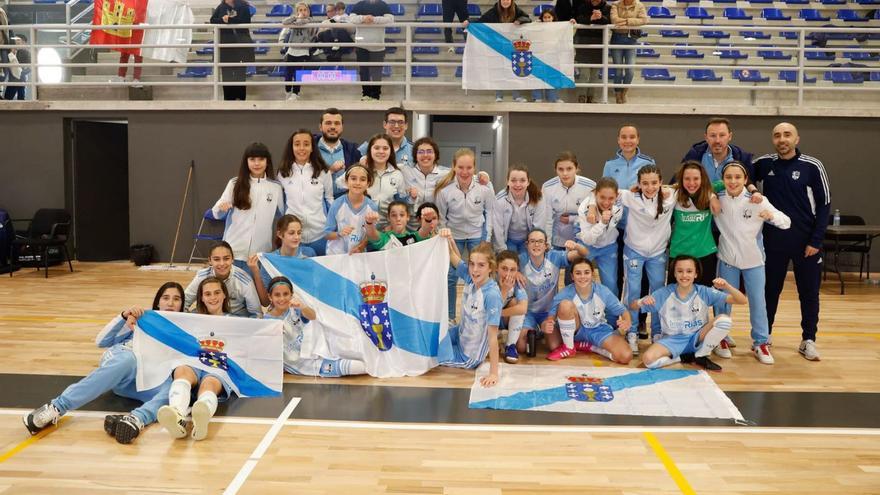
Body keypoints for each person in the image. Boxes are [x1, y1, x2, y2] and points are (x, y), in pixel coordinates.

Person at [23, 282, 185, 444]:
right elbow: (101, 341)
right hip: (123, 365)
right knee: (128, 360)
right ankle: (56, 407)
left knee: (178, 388)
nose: (170, 303)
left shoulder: (185, 330)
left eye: (176, 299)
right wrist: (123, 316)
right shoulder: (142, 318)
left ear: (182, 305)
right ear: (158, 301)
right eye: (166, 298)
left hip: (144, 381)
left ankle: (136, 419)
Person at [748, 122, 830, 361]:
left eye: (787, 135)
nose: (782, 139)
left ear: (797, 138)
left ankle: (808, 340)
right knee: (769, 291)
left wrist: (816, 240)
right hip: (773, 241)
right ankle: (765, 336)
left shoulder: (813, 166)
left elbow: (824, 206)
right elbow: (742, 173)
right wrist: (753, 186)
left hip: (806, 243)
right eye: (777, 135)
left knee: (809, 292)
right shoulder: (765, 163)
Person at [714, 162, 790, 365]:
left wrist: (771, 215)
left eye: (737, 177)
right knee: (723, 300)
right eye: (728, 177)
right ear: (723, 179)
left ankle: (760, 342)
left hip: (754, 261)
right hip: (727, 259)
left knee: (758, 301)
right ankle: (720, 337)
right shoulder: (717, 199)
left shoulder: (757, 200)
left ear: (745, 179)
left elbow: (786, 221)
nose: (733, 181)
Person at [601, 164, 675, 355]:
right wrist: (593, 208)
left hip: (658, 253)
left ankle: (657, 333)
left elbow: (701, 187)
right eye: (645, 183)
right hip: (634, 251)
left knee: (658, 291)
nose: (650, 187)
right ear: (638, 184)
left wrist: (668, 189)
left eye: (654, 183)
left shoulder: (670, 196)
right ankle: (631, 332)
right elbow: (599, 193)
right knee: (632, 292)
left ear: (660, 182)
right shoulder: (629, 196)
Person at [634, 255, 746, 372]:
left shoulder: (704, 292)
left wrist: (727, 286)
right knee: (648, 360)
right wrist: (641, 301)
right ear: (675, 274)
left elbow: (742, 300)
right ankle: (682, 357)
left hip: (698, 337)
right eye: (680, 271)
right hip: (673, 340)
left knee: (724, 320)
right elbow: (632, 306)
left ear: (695, 274)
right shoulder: (664, 293)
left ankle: (701, 355)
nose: (684, 275)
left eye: (689, 271)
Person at [157, 277, 231, 440]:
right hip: (193, 362)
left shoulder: (236, 322)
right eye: (208, 294)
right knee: (182, 371)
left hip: (219, 364)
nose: (213, 297)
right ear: (202, 298)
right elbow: (165, 321)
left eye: (217, 292)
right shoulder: (189, 319)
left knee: (210, 384)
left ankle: (201, 416)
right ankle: (176, 414)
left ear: (224, 295)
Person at [434, 148, 495, 322]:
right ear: (453, 167)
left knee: (481, 276)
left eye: (469, 167)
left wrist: (487, 238)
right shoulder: (445, 190)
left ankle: (480, 315)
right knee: (451, 277)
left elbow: (490, 213)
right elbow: (441, 218)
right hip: (455, 237)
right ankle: (451, 317)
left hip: (478, 235)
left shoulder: (484, 188)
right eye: (461, 167)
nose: (465, 172)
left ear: (474, 168)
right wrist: (446, 238)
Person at [263, 276, 367, 376]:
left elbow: (312, 316)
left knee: (365, 358)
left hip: (320, 351)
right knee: (358, 367)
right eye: (277, 295)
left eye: (285, 294)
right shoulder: (267, 322)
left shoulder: (294, 308)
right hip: (305, 365)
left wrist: (302, 306)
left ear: (291, 294)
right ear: (270, 297)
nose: (282, 298)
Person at [438, 230, 502, 387]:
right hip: (459, 336)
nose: (475, 270)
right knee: (431, 335)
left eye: (481, 265)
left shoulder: (492, 294)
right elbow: (453, 257)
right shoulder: (470, 276)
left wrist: (494, 373)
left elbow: (493, 337)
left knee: (430, 356)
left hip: (468, 356)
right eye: (472, 264)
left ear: (490, 268)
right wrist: (448, 237)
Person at [515, 228, 588, 360]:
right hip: (528, 312)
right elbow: (501, 266)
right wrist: (515, 272)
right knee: (521, 347)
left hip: (548, 313)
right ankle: (536, 331)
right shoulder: (520, 260)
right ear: (527, 245)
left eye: (540, 241)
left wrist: (576, 245)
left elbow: (583, 254)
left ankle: (543, 330)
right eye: (532, 241)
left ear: (546, 245)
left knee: (554, 346)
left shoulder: (554, 256)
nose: (536, 245)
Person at [545, 257, 631, 361]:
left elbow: (623, 311)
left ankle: (591, 347)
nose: (582, 277)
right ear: (572, 276)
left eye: (586, 272)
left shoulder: (603, 291)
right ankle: (569, 347)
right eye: (578, 273)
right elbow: (552, 314)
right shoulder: (566, 292)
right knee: (564, 307)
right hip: (576, 330)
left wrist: (627, 321)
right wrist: (548, 323)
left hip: (598, 329)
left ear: (592, 274)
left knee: (626, 356)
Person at [211, 142, 284, 265]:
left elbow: (282, 215)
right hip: (233, 251)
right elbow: (215, 212)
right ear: (246, 161)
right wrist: (221, 207)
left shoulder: (276, 187)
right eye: (252, 159)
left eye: (261, 159)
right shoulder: (234, 183)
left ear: (267, 162)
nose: (256, 163)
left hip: (260, 254)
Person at [277, 130, 333, 255]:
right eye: (297, 144)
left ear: (312, 147)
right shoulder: (283, 173)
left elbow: (330, 199)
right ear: (291, 147)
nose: (301, 148)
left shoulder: (323, 171)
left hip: (320, 235)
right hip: (294, 237)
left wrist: (331, 227)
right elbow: (280, 204)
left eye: (306, 144)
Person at [542, 151, 595, 284]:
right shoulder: (547, 187)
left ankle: (572, 303)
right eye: (560, 169)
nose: (565, 173)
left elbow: (590, 218)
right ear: (555, 170)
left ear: (577, 168)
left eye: (569, 169)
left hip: (578, 239)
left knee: (572, 278)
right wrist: (547, 242)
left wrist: (573, 219)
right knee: (549, 278)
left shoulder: (590, 187)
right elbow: (547, 218)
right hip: (556, 238)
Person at [464, 0, 531, 102]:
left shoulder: (516, 10)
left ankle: (516, 95)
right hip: (497, 46)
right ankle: (499, 95)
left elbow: (528, 18)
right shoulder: (493, 11)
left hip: (511, 46)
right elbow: (481, 21)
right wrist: (469, 21)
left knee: (514, 70)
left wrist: (520, 20)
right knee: (498, 70)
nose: (505, 1)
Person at [668, 161, 720, 287]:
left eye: (696, 178)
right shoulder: (673, 193)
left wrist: (712, 196)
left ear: (703, 179)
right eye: (687, 179)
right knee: (675, 298)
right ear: (681, 179)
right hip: (679, 253)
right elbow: (654, 187)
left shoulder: (709, 191)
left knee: (704, 298)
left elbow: (729, 182)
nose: (691, 183)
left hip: (705, 253)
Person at [341, 133, 407, 230]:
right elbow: (339, 183)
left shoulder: (397, 174)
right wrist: (359, 166)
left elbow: (401, 204)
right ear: (370, 151)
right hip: (360, 228)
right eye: (376, 148)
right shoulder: (362, 172)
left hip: (387, 230)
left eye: (385, 148)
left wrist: (393, 226)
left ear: (390, 151)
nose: (381, 151)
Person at [248, 214, 316, 306]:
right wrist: (256, 272)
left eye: (299, 233)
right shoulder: (270, 260)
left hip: (304, 309)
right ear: (280, 234)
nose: (296, 237)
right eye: (291, 233)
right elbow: (265, 302)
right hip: (281, 312)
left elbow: (315, 292)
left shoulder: (309, 254)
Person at [185, 241, 262, 317]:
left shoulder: (244, 280)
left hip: (235, 317)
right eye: (216, 259)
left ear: (232, 259)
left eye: (226, 258)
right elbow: (184, 301)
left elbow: (256, 313)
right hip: (208, 314)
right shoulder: (201, 276)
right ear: (210, 260)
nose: (222, 263)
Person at [576, 176, 623, 298]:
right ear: (596, 194)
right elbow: (588, 240)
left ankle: (612, 317)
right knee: (579, 280)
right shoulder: (584, 208)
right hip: (587, 246)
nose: (606, 202)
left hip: (609, 247)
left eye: (611, 198)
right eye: (602, 197)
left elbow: (639, 191)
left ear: (616, 196)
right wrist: (602, 223)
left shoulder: (620, 202)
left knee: (611, 285)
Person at [492, 164, 551, 254]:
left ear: (528, 182)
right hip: (508, 240)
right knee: (510, 263)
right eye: (513, 180)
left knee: (525, 263)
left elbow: (539, 227)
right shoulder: (499, 200)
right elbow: (498, 229)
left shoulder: (538, 198)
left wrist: (535, 248)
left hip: (527, 240)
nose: (518, 184)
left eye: (522, 180)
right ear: (507, 182)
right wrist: (502, 251)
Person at [324, 164, 379, 254]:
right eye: (353, 178)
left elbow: (372, 236)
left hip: (358, 255)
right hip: (336, 255)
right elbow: (327, 234)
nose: (357, 183)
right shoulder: (337, 204)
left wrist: (361, 247)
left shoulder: (372, 207)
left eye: (362, 179)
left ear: (368, 184)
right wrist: (339, 234)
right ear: (346, 182)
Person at [346, 0, 394, 101]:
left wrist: (373, 19)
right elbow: (351, 19)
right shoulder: (359, 4)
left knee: (376, 72)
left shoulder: (383, 4)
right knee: (364, 72)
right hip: (361, 44)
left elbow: (390, 19)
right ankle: (366, 94)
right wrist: (363, 18)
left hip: (378, 45)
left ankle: (376, 96)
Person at [682, 117, 754, 184]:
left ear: (730, 136)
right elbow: (678, 182)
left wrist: (754, 191)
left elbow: (749, 185)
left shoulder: (742, 159)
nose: (717, 140)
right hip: (700, 197)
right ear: (706, 137)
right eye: (713, 136)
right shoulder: (694, 156)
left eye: (722, 135)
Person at [210, 0, 255, 100]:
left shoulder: (243, 6)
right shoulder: (221, 7)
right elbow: (213, 20)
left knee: (240, 73)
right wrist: (223, 20)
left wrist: (229, 20)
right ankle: (228, 99)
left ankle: (240, 99)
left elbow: (245, 21)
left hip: (240, 46)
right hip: (225, 46)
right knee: (226, 74)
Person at [401, 137, 449, 228]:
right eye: (421, 152)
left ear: (435, 155)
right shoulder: (406, 171)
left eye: (429, 151)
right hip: (412, 227)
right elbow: (385, 166)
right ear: (415, 155)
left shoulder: (445, 174)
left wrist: (482, 176)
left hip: (436, 228)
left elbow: (466, 174)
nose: (425, 155)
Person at [315, 108, 363, 198]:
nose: (333, 127)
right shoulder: (310, 148)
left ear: (342, 127)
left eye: (337, 123)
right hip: (317, 202)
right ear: (320, 127)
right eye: (328, 123)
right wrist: (331, 170)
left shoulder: (353, 150)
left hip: (345, 203)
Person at [609, 0, 646, 103]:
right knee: (618, 70)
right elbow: (614, 20)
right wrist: (632, 21)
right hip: (617, 38)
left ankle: (624, 93)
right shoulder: (615, 4)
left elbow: (643, 20)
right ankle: (617, 94)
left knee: (630, 71)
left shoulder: (639, 5)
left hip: (632, 39)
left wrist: (626, 22)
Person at [495, 250, 528, 363]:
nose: (508, 274)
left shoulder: (517, 283)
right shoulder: (488, 281)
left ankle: (510, 345)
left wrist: (497, 313)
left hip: (501, 317)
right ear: (496, 268)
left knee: (515, 302)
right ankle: (497, 336)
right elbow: (488, 310)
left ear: (517, 271)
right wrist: (504, 289)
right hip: (486, 320)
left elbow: (523, 308)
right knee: (488, 353)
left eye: (512, 270)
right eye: (504, 269)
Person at [279, 2, 317, 101]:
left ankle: (295, 93)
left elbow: (301, 23)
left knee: (298, 73)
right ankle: (287, 91)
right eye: (300, 10)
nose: (303, 12)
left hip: (303, 50)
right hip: (292, 49)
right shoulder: (295, 19)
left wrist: (297, 19)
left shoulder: (310, 20)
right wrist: (295, 17)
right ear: (297, 12)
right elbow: (284, 22)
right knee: (288, 73)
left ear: (308, 12)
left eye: (305, 10)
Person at [364, 200, 435, 250]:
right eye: (394, 215)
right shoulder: (385, 238)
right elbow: (371, 234)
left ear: (408, 217)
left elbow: (425, 231)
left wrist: (428, 219)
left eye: (402, 215)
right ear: (388, 218)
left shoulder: (414, 237)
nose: (398, 218)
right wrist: (369, 222)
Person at [602, 124, 654, 190]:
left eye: (632, 137)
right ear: (618, 140)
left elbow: (653, 188)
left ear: (638, 140)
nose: (627, 141)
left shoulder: (648, 163)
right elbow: (604, 189)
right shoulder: (610, 164)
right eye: (624, 137)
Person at [531, 8, 562, 103]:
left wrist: (571, 22)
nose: (547, 19)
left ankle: (553, 98)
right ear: (542, 18)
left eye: (549, 17)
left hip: (553, 55)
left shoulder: (559, 27)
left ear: (553, 18)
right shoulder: (537, 26)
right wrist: (535, 24)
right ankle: (537, 97)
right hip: (539, 55)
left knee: (552, 75)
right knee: (537, 75)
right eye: (545, 17)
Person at [4, 35, 30, 100]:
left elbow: (30, 67)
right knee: (7, 98)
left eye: (18, 40)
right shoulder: (12, 52)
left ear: (24, 42)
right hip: (12, 80)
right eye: (16, 40)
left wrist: (22, 73)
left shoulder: (27, 53)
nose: (16, 41)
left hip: (21, 81)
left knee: (21, 98)